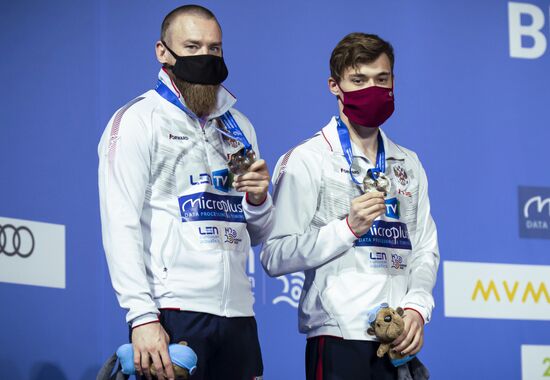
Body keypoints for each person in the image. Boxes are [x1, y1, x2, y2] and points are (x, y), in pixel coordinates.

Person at [98, 5, 272, 380]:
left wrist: (258, 200)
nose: (205, 58)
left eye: (215, 50)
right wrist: (142, 316)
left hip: (239, 316)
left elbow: (256, 232)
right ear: (163, 52)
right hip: (173, 311)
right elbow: (120, 224)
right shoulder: (138, 121)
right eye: (192, 47)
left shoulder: (239, 127)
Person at [261, 32, 439, 379]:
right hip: (338, 336)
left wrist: (416, 309)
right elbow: (274, 255)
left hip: (397, 339)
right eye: (359, 80)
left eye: (381, 80)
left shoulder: (409, 163)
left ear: (393, 82)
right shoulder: (308, 159)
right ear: (334, 86)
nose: (371, 89)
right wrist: (347, 229)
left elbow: (424, 251)